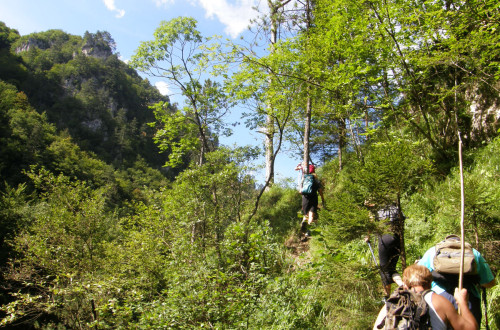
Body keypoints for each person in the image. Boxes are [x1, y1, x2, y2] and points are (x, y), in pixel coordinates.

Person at [418, 235, 496, 325]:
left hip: (439, 299)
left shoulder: (432, 252)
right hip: (468, 297)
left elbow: (417, 277)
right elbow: (489, 282)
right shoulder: (474, 253)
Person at [374, 264, 478, 330]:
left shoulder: (392, 304)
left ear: (405, 284)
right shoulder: (440, 302)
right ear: (430, 282)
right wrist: (462, 302)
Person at [365, 203, 404, 296]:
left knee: (384, 270)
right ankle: (403, 286)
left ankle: (387, 297)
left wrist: (368, 236)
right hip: (398, 239)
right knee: (391, 269)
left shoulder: (378, 210)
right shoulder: (396, 208)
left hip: (385, 239)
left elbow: (371, 223)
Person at [295, 163, 325, 240]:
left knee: (306, 215)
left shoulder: (304, 179)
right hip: (314, 198)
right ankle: (308, 232)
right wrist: (322, 199)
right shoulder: (316, 180)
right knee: (311, 215)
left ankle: (302, 228)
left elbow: (300, 191)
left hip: (305, 198)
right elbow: (320, 191)